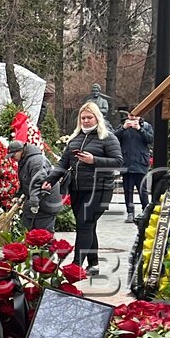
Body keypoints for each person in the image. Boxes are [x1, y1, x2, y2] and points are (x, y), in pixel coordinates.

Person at [55, 101, 123, 275]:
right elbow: (63, 163)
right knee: (87, 225)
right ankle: (93, 264)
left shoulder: (107, 137)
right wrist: (50, 179)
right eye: (83, 118)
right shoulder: (75, 138)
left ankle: (76, 266)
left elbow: (118, 162)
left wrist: (95, 160)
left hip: (99, 189)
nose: (85, 121)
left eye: (89, 117)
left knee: (84, 224)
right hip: (78, 189)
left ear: (97, 118)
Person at [6, 140, 63, 233]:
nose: (12, 158)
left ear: (20, 151)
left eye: (13, 155)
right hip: (38, 198)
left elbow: (39, 182)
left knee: (43, 232)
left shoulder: (36, 161)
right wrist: (18, 195)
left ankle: (45, 245)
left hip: (47, 200)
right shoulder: (26, 160)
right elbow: (25, 181)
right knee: (29, 223)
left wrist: (34, 203)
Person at [115, 113, 154, 223]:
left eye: (136, 115)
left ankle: (146, 212)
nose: (133, 118)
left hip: (141, 163)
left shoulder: (146, 126)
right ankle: (130, 213)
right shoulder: (123, 126)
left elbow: (150, 139)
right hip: (127, 163)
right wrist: (123, 128)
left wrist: (140, 129)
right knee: (128, 190)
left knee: (143, 190)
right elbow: (113, 138)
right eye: (131, 115)